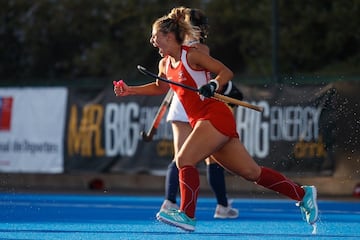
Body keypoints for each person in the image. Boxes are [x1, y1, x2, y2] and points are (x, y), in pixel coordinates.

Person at [114, 9, 318, 232]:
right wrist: (129, 90)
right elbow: (160, 87)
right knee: (252, 173)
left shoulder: (192, 55)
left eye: (155, 36)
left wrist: (213, 85)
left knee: (184, 160)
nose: (152, 40)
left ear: (169, 36)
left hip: (214, 116)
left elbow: (225, 72)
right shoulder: (164, 65)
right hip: (201, 121)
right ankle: (303, 194)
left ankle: (187, 215)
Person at [159, 7, 241, 219]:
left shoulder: (175, 48)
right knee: (209, 159)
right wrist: (230, 90)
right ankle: (222, 207)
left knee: (181, 156)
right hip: (197, 106)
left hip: (180, 105)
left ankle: (169, 201)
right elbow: (215, 82)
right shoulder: (200, 50)